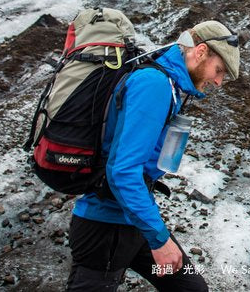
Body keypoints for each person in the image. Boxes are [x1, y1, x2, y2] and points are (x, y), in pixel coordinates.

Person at [66, 20, 240, 292]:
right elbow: (122, 171)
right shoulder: (154, 84)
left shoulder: (169, 85)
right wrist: (159, 239)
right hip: (105, 229)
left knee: (190, 288)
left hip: (132, 221)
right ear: (201, 51)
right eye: (219, 71)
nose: (218, 82)